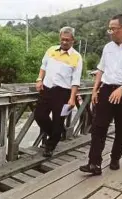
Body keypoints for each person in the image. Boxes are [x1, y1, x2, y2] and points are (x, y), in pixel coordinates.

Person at [79, 14, 122, 175]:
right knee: (98, 127)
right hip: (106, 89)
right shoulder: (108, 47)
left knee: (121, 127)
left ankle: (115, 157)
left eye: (113, 29)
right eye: (109, 29)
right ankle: (94, 163)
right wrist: (95, 90)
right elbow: (100, 70)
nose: (110, 32)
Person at [34, 26, 83, 157]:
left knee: (58, 121)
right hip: (47, 89)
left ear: (73, 40)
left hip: (63, 93)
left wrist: (72, 98)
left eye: (67, 40)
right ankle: (56, 134)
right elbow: (43, 66)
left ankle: (50, 146)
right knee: (39, 115)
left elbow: (75, 80)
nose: (65, 42)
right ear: (59, 38)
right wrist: (39, 79)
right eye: (62, 39)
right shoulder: (51, 50)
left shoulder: (76, 57)